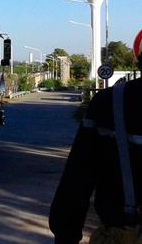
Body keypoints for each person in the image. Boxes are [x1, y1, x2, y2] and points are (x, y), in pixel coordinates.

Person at [49, 30, 142, 243]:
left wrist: (65, 233)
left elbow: (77, 178)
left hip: (120, 231)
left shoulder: (110, 103)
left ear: (137, 58)